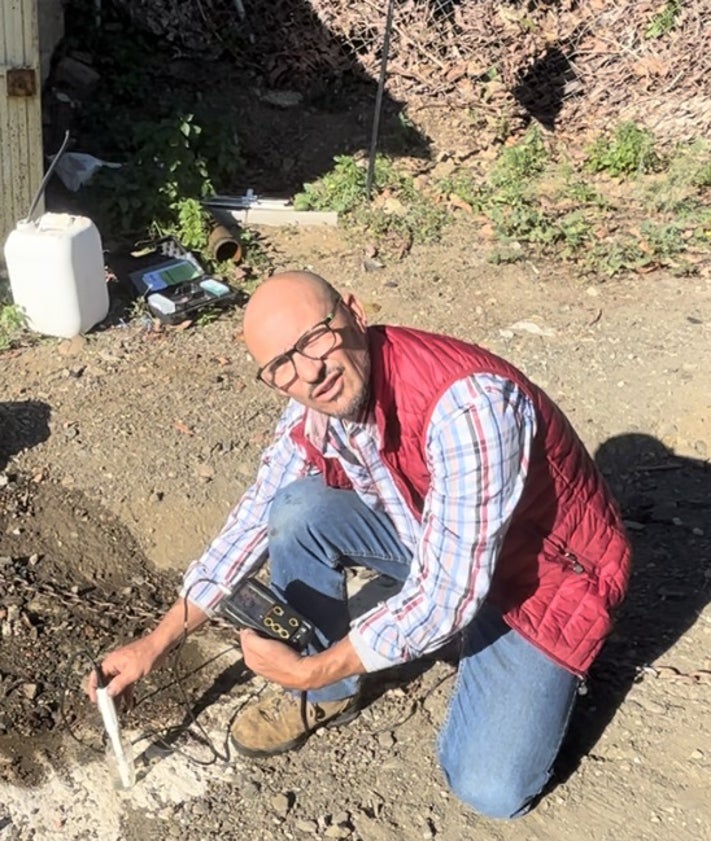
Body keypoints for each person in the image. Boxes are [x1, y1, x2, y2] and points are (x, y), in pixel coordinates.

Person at [89, 270, 631, 819]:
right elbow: (253, 518)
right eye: (281, 366)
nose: (309, 373)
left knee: (488, 786)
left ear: (354, 312)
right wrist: (154, 644)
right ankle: (330, 695)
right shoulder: (314, 404)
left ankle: (531, 672)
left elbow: (446, 597)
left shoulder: (469, 407)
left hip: (541, 577)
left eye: (314, 339)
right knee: (298, 509)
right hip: (431, 531)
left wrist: (307, 668)